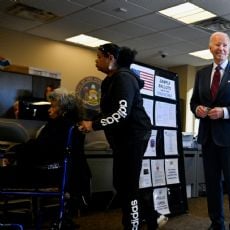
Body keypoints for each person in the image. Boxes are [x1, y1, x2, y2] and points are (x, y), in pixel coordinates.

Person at [78, 43, 163, 230]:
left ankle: (132, 225)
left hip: (134, 136)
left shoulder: (124, 78)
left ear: (111, 58)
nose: (96, 60)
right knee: (121, 182)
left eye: (99, 56)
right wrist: (93, 122)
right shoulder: (111, 80)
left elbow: (121, 113)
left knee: (128, 185)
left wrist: (94, 124)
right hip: (123, 138)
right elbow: (109, 112)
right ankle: (152, 217)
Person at [189, 32, 230, 230]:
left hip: (229, 139)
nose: (221, 48)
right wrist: (197, 109)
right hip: (208, 138)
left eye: (225, 45)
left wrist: (225, 112)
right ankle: (217, 223)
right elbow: (194, 102)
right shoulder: (201, 73)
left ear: (229, 48)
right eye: (217, 45)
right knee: (212, 184)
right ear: (210, 48)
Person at [2, 88, 91, 228]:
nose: (50, 110)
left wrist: (14, 152)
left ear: (63, 109)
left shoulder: (59, 125)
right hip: (60, 173)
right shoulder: (72, 126)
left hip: (46, 174)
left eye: (53, 106)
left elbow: (42, 149)